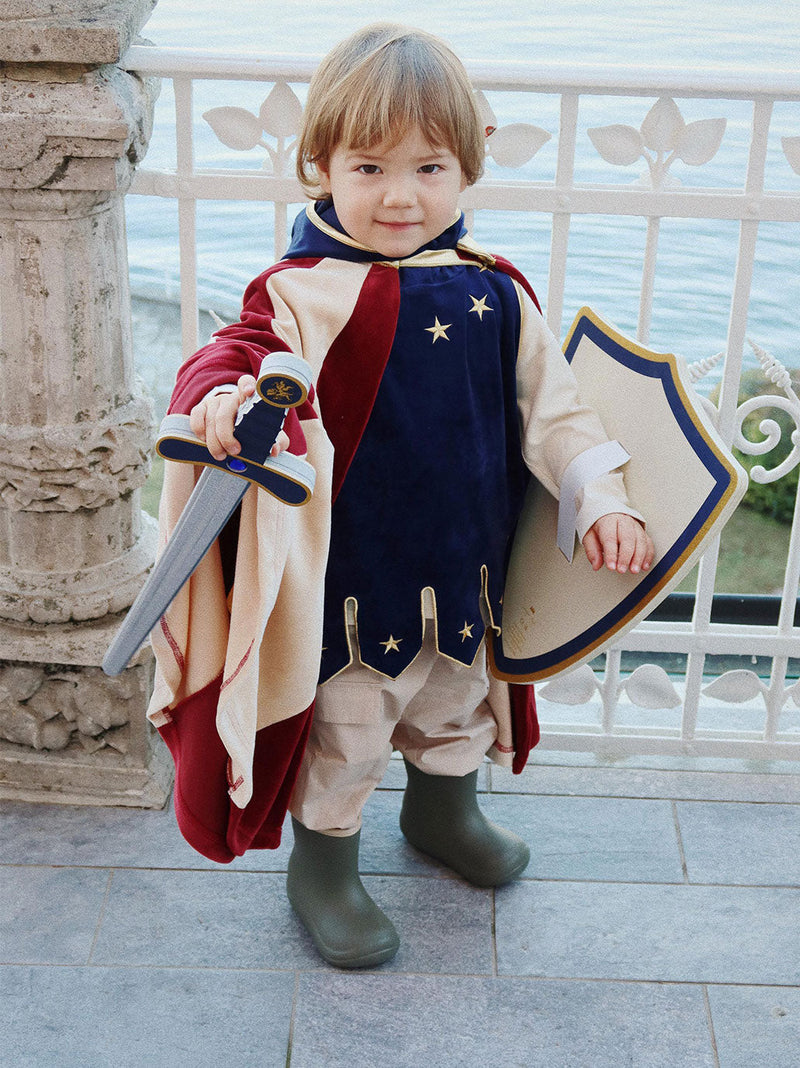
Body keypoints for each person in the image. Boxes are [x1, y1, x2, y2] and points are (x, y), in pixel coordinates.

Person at [158, 22, 654, 969]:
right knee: (349, 732)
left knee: (456, 709)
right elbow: (239, 355)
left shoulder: (494, 294)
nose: (400, 196)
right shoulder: (302, 293)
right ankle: (325, 868)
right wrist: (224, 401)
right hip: (353, 586)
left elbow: (555, 411)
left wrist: (602, 497)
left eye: (429, 168)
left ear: (469, 164)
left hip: (466, 572)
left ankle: (442, 813)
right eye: (370, 167)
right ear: (321, 163)